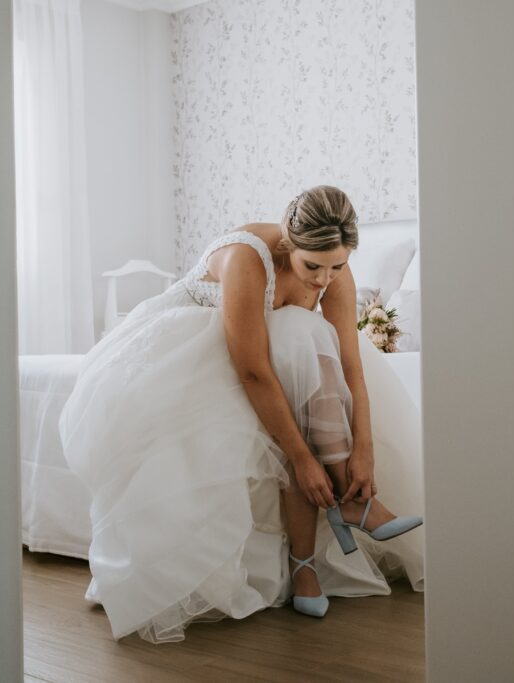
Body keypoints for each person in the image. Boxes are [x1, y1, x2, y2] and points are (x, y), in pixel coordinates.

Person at [59, 185, 424, 644]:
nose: (323, 281)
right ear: (290, 244)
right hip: (202, 345)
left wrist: (364, 450)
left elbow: (353, 366)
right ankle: (331, 531)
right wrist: (304, 458)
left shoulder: (334, 273)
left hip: (280, 353)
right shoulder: (246, 257)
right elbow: (251, 370)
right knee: (295, 360)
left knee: (305, 346)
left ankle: (321, 544)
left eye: (338, 266)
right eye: (313, 267)